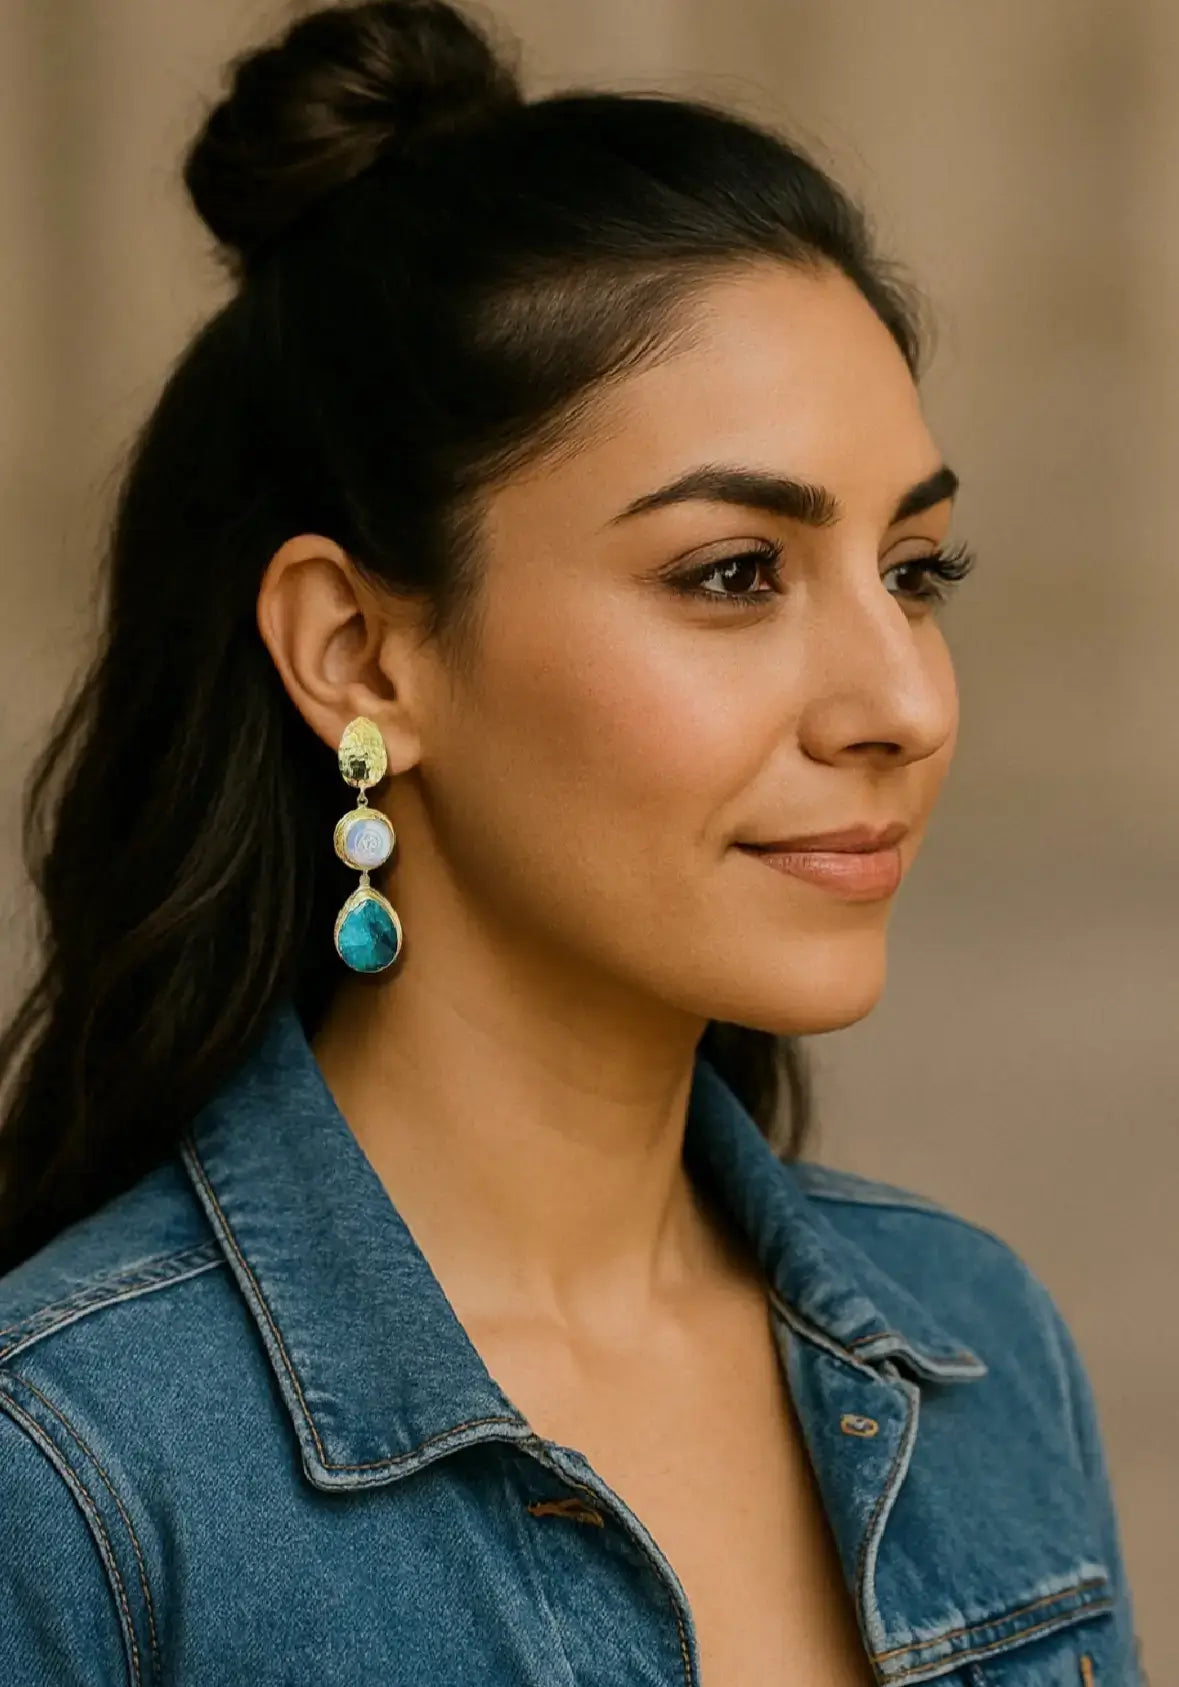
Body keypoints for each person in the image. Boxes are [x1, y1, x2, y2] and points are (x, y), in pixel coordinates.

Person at [0, 1, 1147, 1682]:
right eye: (735, 573)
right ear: (361, 654)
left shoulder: (973, 1348)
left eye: (916, 572)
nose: (901, 698)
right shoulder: (73, 1468)